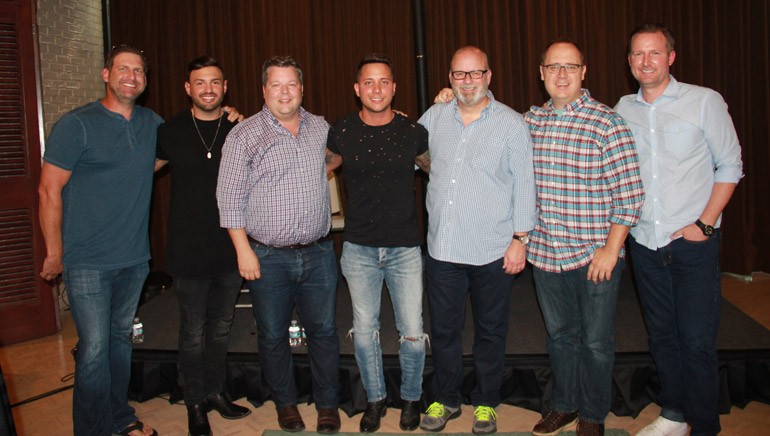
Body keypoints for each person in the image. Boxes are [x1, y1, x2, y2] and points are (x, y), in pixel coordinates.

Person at [614, 23, 743, 436]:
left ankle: (704, 426)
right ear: (629, 61)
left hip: (692, 243)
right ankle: (674, 415)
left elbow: (731, 166)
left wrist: (705, 224)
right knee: (663, 337)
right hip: (644, 243)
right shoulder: (622, 109)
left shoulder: (704, 102)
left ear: (671, 57)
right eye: (637, 54)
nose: (645, 61)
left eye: (654, 53)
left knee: (697, 341)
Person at [38, 45, 162, 436]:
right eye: (124, 69)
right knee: (93, 350)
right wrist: (55, 251)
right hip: (87, 260)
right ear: (106, 74)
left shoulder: (152, 123)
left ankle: (120, 418)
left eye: (139, 71)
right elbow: (48, 191)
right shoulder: (77, 125)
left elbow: (175, 150)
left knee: (120, 342)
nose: (132, 76)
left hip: (134, 257)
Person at [216, 55, 342, 434]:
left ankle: (328, 405)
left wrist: (327, 166)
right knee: (271, 335)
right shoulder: (244, 135)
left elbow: (339, 154)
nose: (285, 92)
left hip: (319, 252)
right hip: (267, 257)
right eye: (276, 85)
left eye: (291, 85)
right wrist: (243, 251)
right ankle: (285, 404)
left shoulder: (321, 127)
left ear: (302, 89)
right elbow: (228, 198)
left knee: (324, 332)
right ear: (263, 90)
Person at [525, 40, 644, 436]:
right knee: (560, 337)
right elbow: (485, 116)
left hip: (596, 256)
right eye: (553, 67)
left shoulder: (607, 123)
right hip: (545, 254)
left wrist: (611, 250)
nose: (561, 75)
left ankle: (592, 414)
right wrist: (447, 97)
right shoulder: (529, 122)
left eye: (570, 67)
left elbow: (630, 196)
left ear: (584, 72)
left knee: (595, 342)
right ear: (541, 73)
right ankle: (564, 405)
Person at [417, 46, 537, 434]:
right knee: (445, 331)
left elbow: (525, 185)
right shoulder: (434, 117)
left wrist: (521, 238)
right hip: (443, 250)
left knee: (490, 331)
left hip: (493, 250)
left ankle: (486, 402)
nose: (467, 81)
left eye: (475, 74)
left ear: (489, 76)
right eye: (459, 74)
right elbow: (406, 151)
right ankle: (446, 398)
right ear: (449, 78)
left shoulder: (511, 124)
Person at [326, 54, 431, 433]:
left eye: (383, 81)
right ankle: (374, 399)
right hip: (359, 249)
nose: (376, 88)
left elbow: (443, 168)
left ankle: (410, 398)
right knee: (365, 330)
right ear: (357, 89)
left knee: (413, 331)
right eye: (368, 82)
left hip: (404, 247)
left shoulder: (414, 132)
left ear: (394, 87)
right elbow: (313, 166)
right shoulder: (340, 132)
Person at [154, 56, 250, 436]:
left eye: (214, 82)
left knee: (222, 328)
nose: (207, 88)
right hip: (187, 249)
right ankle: (194, 403)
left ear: (225, 87)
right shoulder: (170, 131)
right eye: (199, 82)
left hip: (230, 246)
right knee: (193, 331)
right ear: (187, 88)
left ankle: (216, 393)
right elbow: (139, 173)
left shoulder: (238, 129)